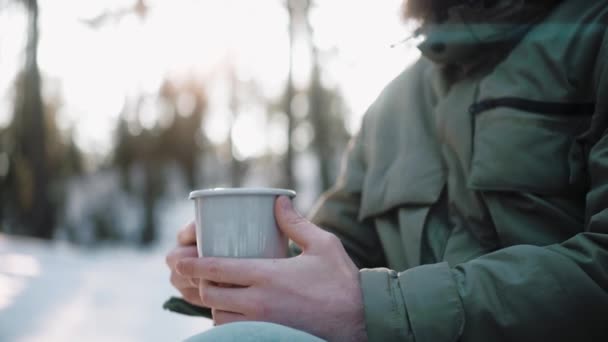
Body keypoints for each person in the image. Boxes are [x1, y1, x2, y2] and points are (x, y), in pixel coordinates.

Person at [165, 0, 608, 340]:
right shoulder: (392, 107)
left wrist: (376, 309)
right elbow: (333, 257)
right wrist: (231, 278)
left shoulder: (594, 32)